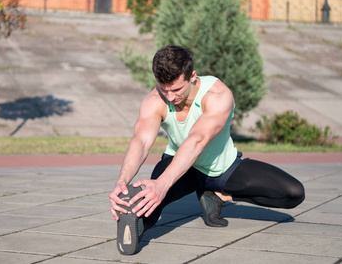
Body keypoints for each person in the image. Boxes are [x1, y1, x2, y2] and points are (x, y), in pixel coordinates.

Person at [109, 45, 305, 255]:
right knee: (148, 203)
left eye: (176, 90)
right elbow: (141, 141)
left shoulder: (218, 94)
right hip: (181, 166)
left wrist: (163, 184)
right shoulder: (154, 100)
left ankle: (219, 196)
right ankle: (136, 226)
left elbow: (198, 140)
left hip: (223, 168)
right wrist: (123, 181)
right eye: (164, 89)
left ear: (192, 76)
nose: (170, 97)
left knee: (293, 193)